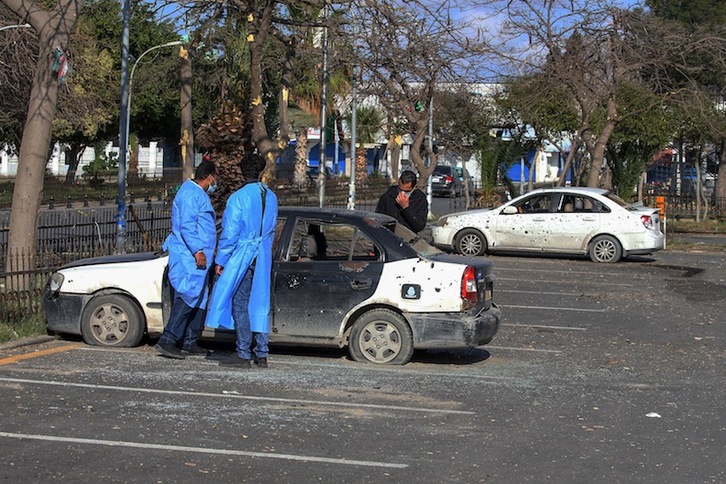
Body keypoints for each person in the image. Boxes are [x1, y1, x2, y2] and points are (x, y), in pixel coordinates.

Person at [205, 155, 278, 369]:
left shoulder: (238, 198)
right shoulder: (271, 196)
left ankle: (243, 351)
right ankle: (262, 352)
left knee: (240, 302)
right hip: (263, 254)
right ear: (260, 172)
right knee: (261, 301)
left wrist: (221, 259)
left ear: (241, 172)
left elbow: (230, 233)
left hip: (243, 254)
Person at [155, 159, 217, 359]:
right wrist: (198, 250)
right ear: (209, 177)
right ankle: (169, 339)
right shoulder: (191, 194)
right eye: (215, 178)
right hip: (190, 256)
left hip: (198, 257)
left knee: (198, 298)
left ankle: (190, 341)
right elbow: (187, 226)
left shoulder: (195, 193)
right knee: (187, 296)